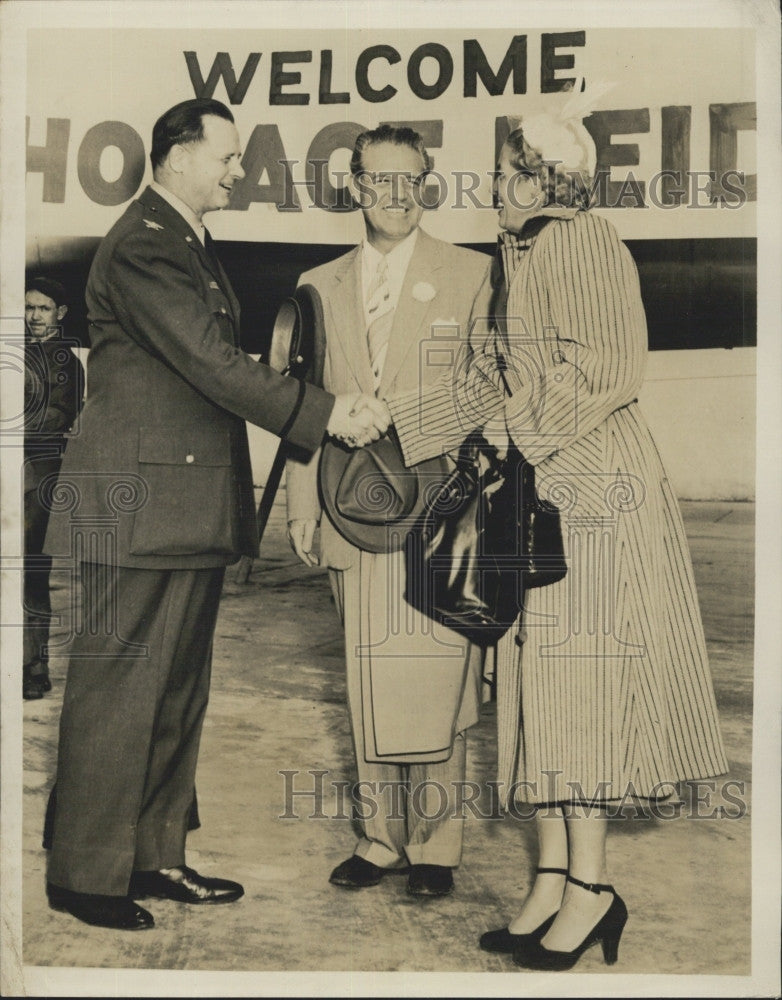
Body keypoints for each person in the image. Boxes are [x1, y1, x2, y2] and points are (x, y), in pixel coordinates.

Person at [385, 111, 728, 967]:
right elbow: (489, 376)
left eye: (504, 175)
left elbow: (610, 366)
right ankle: (549, 876)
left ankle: (593, 889)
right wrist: (390, 431)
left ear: (541, 180)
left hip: (594, 492)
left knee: (583, 694)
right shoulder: (521, 254)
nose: (493, 189)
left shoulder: (583, 240)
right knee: (539, 692)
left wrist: (513, 426)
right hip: (541, 492)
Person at [42, 97, 388, 932]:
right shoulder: (145, 245)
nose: (237, 173)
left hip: (178, 506)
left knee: (174, 693)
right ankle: (86, 877)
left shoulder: (183, 242)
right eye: (227, 158)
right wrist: (326, 412)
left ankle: (155, 857)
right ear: (178, 154)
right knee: (118, 691)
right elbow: (210, 361)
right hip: (134, 507)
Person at [285, 125, 498, 897]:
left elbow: (486, 390)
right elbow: (304, 405)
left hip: (439, 512)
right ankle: (381, 841)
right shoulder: (319, 282)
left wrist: (399, 413)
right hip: (350, 511)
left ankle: (437, 846)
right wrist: (300, 504)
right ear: (354, 184)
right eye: (380, 180)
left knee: (437, 680)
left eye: (411, 180)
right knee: (369, 676)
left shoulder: (472, 274)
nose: (396, 196)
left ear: (428, 184)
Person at [23, 277, 84, 700]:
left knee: (31, 571)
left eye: (43, 309)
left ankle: (34, 665)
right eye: (29, 308)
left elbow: (57, 414)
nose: (34, 316)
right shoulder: (18, 354)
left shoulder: (66, 361)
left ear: (60, 314)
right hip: (16, 467)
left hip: (42, 473)